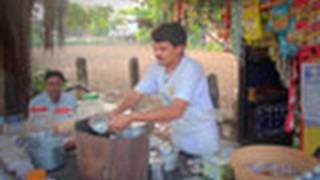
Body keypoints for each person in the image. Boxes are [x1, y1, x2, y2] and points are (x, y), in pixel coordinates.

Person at [109, 22, 220, 157]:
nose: (157, 54)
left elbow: (176, 111)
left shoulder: (191, 69)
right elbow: (135, 94)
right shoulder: (157, 68)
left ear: (179, 48)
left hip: (201, 137)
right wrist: (115, 112)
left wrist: (132, 117)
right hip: (179, 135)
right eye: (155, 49)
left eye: (163, 49)